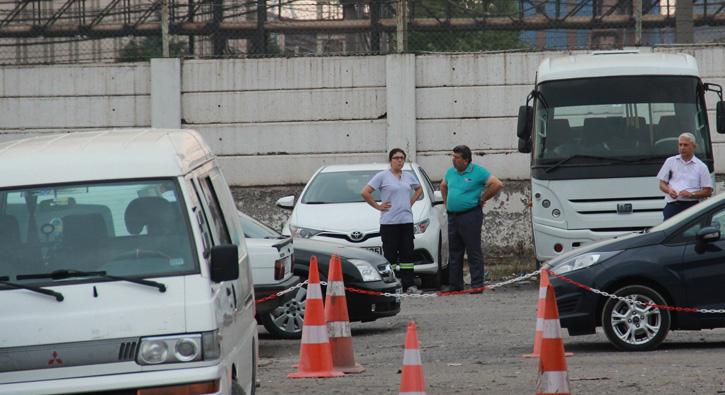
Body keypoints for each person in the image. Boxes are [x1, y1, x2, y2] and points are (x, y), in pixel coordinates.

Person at [440, 145, 503, 292]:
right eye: (453, 156)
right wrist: (447, 203)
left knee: (473, 250)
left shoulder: (477, 171)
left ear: (466, 160)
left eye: (457, 157)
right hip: (453, 216)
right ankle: (455, 286)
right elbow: (443, 186)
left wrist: (482, 198)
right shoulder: (450, 172)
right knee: (455, 252)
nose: (453, 160)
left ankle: (477, 285)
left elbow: (497, 184)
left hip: (470, 215)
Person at [361, 148, 423, 294]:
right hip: (389, 222)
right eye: (396, 158)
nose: (399, 160)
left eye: (402, 158)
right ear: (390, 160)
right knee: (390, 255)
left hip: (406, 221)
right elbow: (365, 192)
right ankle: (392, 284)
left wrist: (410, 202)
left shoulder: (408, 176)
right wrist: (378, 206)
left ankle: (409, 284)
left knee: (407, 253)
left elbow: (419, 189)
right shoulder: (382, 176)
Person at [657, 132, 712, 220]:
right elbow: (662, 184)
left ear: (694, 147)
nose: (682, 148)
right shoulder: (670, 161)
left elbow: (708, 191)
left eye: (685, 145)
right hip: (673, 206)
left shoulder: (701, 166)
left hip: (692, 206)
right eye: (680, 145)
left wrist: (691, 194)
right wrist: (669, 190)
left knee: (692, 233)